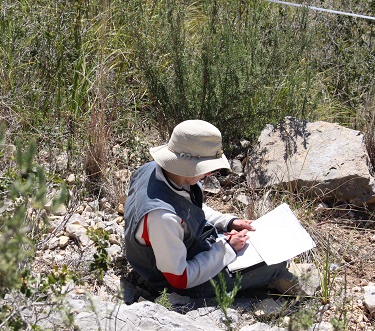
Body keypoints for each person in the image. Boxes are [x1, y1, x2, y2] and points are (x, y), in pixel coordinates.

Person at [124, 120, 300, 298]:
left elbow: (189, 208)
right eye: (207, 168)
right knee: (277, 264)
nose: (209, 173)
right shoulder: (162, 218)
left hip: (185, 250)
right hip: (172, 280)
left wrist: (228, 222)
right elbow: (180, 279)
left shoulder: (155, 170)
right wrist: (227, 249)